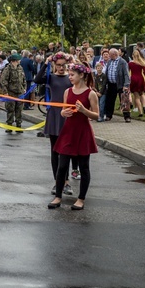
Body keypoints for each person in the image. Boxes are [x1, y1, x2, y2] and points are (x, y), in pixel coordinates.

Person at [48, 62, 99, 210]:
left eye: (72, 75)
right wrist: (63, 113)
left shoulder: (91, 93)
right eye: (69, 75)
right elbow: (64, 110)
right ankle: (58, 196)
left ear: (82, 75)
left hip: (83, 132)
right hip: (68, 131)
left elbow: (96, 115)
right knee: (62, 165)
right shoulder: (67, 92)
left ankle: (81, 199)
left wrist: (84, 111)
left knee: (84, 167)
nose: (69, 77)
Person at [35, 52, 74, 195]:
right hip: (54, 116)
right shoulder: (50, 77)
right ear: (54, 65)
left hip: (67, 115)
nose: (61, 68)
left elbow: (86, 79)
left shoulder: (71, 78)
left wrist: (73, 62)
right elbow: (37, 80)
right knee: (55, 150)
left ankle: (66, 181)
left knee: (66, 150)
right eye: (58, 65)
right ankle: (57, 182)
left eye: (63, 65)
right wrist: (45, 63)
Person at [104, 48, 131, 123]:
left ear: (114, 54)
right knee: (110, 100)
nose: (108, 56)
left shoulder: (122, 62)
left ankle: (127, 116)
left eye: (110, 54)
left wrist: (126, 85)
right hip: (111, 84)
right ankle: (109, 115)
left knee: (124, 100)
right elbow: (107, 71)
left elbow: (126, 74)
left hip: (120, 84)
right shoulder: (109, 61)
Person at [0, 54, 25, 132]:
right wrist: (5, 92)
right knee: (10, 110)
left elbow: (23, 79)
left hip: (20, 92)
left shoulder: (20, 68)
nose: (19, 61)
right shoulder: (8, 69)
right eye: (18, 60)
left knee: (19, 110)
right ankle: (10, 126)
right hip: (11, 93)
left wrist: (24, 88)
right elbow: (3, 81)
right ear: (13, 61)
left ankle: (18, 125)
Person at [128, 49, 145, 116]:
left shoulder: (130, 63)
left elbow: (128, 72)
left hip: (133, 79)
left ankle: (140, 112)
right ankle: (144, 106)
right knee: (142, 93)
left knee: (136, 96)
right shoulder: (142, 63)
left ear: (132, 56)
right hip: (141, 78)